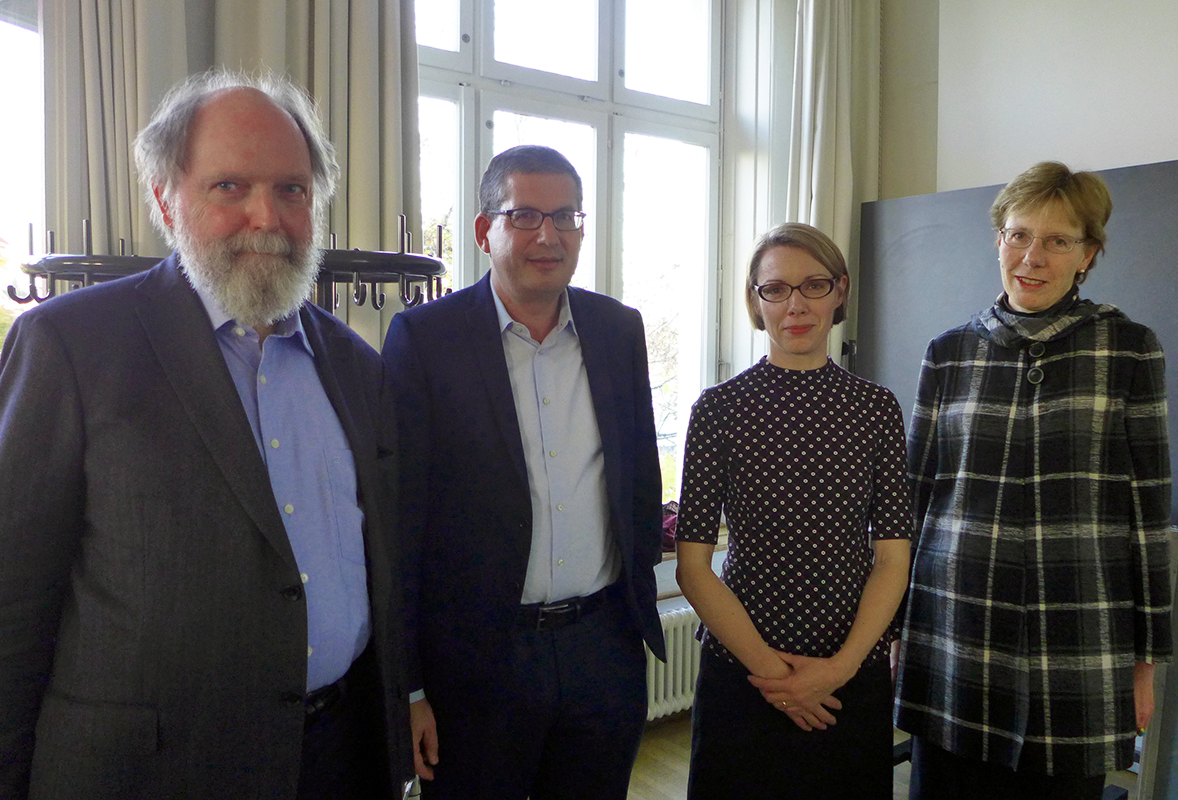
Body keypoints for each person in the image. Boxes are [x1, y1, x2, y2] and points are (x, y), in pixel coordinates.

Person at [0, 71, 412, 799]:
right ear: (166, 198)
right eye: (230, 187)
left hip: (339, 759)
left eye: (292, 189)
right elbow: (12, 601)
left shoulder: (356, 368)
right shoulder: (69, 346)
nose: (268, 216)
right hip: (153, 772)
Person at [381, 144, 666, 800]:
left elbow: (638, 481)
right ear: (486, 231)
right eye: (527, 215)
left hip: (602, 648)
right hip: (481, 660)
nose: (549, 235)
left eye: (566, 216)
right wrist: (411, 685)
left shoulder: (618, 330)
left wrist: (630, 620)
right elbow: (401, 523)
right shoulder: (425, 340)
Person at [894, 161, 1173, 800]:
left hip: (1076, 641)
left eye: (1058, 241)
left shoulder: (1128, 349)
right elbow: (913, 503)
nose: (1032, 257)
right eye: (1018, 235)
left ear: (1089, 255)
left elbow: (1148, 513)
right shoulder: (948, 353)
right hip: (953, 632)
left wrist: (1145, 661)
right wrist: (897, 631)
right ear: (997, 240)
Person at [675, 222, 912, 799]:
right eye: (776, 289)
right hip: (744, 672)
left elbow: (892, 556)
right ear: (756, 303)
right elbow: (693, 567)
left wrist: (838, 669)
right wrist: (778, 679)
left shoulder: (876, 409)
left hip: (850, 672)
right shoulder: (719, 409)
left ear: (840, 292)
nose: (796, 305)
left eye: (814, 285)